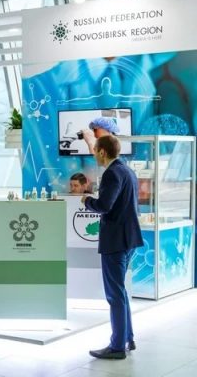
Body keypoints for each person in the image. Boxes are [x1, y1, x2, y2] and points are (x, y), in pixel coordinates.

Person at [81, 135, 144, 359]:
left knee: (115, 294)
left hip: (115, 241)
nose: (94, 155)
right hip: (129, 239)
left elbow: (104, 205)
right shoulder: (127, 171)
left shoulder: (111, 173)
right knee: (120, 291)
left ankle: (117, 347)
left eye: (95, 151)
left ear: (102, 152)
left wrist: (87, 201)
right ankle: (127, 338)